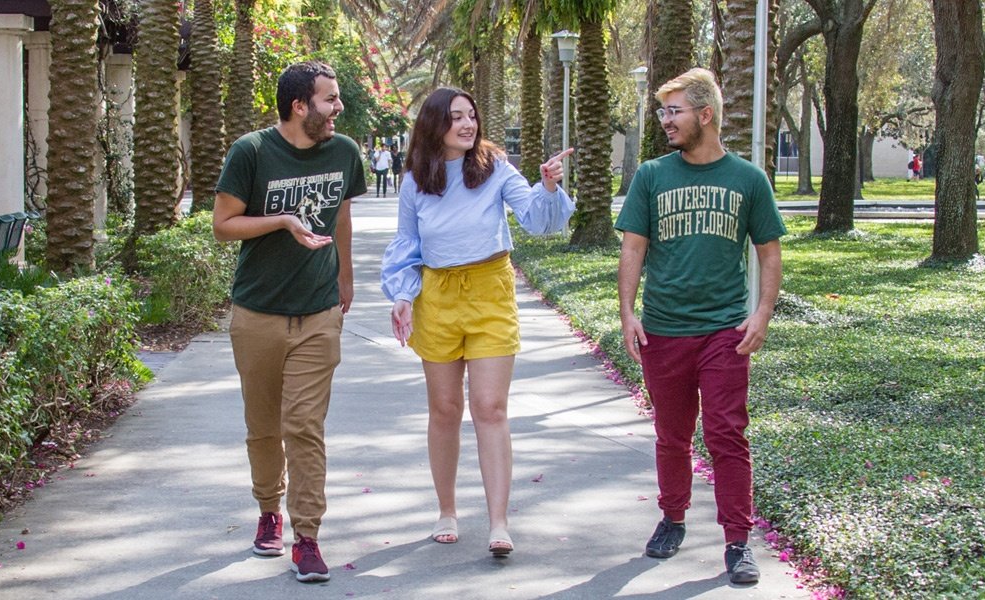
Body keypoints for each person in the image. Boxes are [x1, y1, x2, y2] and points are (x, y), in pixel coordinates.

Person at [380, 87, 575, 559]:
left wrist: (548, 187)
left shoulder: (495, 168)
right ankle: (446, 510)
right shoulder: (414, 181)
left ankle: (498, 522)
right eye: (456, 118)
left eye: (472, 116)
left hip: (490, 291)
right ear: (433, 125)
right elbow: (408, 245)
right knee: (445, 409)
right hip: (438, 296)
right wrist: (403, 296)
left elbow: (536, 218)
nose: (467, 125)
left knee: (490, 408)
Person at [615, 68, 784, 586]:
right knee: (672, 434)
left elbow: (770, 253)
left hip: (723, 332)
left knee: (727, 433)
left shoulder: (748, 179)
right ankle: (672, 518)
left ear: (704, 115)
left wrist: (761, 314)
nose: (665, 121)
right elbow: (634, 248)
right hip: (664, 330)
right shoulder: (651, 176)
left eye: (675, 111)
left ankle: (737, 541)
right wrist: (627, 312)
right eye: (663, 111)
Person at [209, 61, 367, 584]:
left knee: (303, 426)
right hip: (257, 313)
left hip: (319, 311)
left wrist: (345, 277)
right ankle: (267, 511)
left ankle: (308, 537)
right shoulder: (251, 152)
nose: (338, 107)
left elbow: (341, 213)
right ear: (300, 106)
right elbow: (223, 225)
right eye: (330, 99)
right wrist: (281, 220)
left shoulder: (344, 152)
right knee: (264, 426)